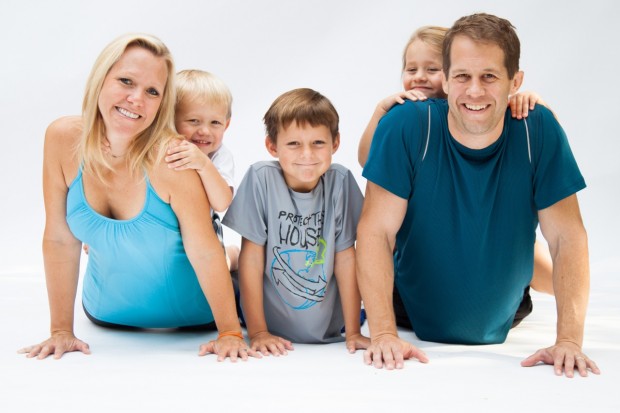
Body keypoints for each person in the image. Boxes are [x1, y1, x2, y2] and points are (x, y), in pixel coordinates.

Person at [356, 13, 600, 377]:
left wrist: (569, 340)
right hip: (410, 305)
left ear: (515, 81)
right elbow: (375, 232)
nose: (474, 91)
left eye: (489, 76)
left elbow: (567, 237)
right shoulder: (406, 124)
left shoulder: (536, 128)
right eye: (462, 76)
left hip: (508, 306)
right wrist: (383, 333)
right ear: (446, 78)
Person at [18, 33, 254, 362]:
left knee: (227, 256)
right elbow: (59, 238)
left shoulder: (173, 158)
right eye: (126, 81)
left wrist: (229, 332)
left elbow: (203, 251)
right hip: (104, 314)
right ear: (100, 78)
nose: (136, 99)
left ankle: (235, 258)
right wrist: (60, 330)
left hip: (192, 319)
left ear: (163, 104)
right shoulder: (62, 138)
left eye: (152, 91)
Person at [357, 26, 554, 307]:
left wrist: (534, 102)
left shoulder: (485, 109)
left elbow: (546, 140)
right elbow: (367, 159)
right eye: (411, 69)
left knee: (527, 248)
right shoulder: (403, 118)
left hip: (489, 230)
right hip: (423, 239)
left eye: (432, 69)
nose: (419, 76)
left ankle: (560, 283)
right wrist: (380, 112)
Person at [223, 88, 370, 355]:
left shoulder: (340, 181)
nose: (307, 154)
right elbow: (252, 259)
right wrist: (258, 332)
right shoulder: (261, 178)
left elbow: (346, 259)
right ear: (272, 146)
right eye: (293, 144)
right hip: (265, 316)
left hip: (327, 320)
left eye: (318, 143)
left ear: (335, 143)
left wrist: (353, 332)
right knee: (233, 276)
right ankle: (229, 257)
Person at [165, 69, 239, 271]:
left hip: (204, 234)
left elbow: (221, 203)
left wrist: (204, 165)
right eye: (193, 121)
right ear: (170, 119)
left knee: (217, 268)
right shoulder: (162, 149)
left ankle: (232, 256)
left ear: (226, 125)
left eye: (215, 123)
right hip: (165, 234)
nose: (204, 131)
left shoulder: (220, 156)